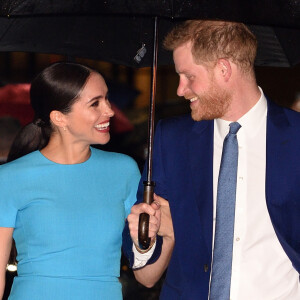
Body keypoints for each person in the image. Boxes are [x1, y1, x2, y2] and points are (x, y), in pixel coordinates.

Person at [125, 20, 300, 299]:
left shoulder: (296, 138)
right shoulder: (172, 140)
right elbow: (145, 277)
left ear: (223, 69)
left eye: (189, 76)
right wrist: (146, 241)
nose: (181, 89)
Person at [0, 62, 141, 300]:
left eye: (107, 99)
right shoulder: (11, 177)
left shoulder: (124, 170)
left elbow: (145, 266)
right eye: (95, 103)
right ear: (59, 118)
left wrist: (163, 233)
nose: (109, 110)